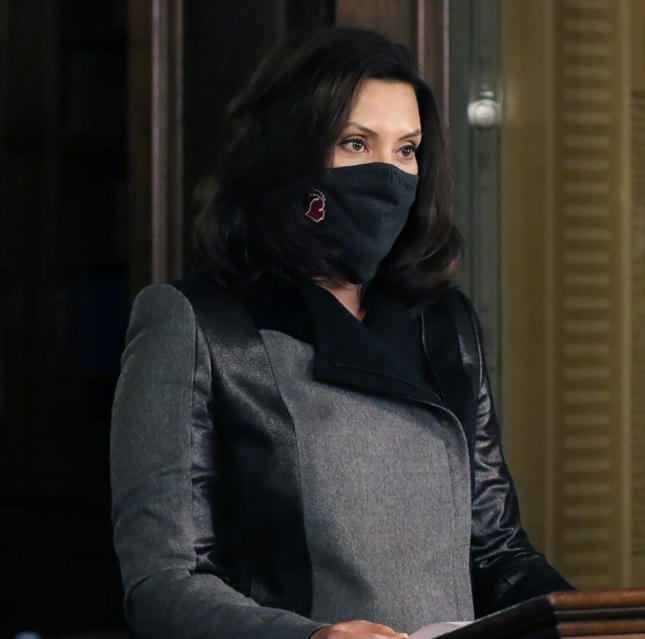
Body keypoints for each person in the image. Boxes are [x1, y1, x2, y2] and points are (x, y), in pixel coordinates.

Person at [110, 28, 572, 639]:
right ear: (288, 156)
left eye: (406, 150)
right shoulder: (195, 325)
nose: (388, 175)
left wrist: (593, 622)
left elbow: (496, 553)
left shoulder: (444, 323)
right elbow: (164, 584)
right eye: (356, 143)